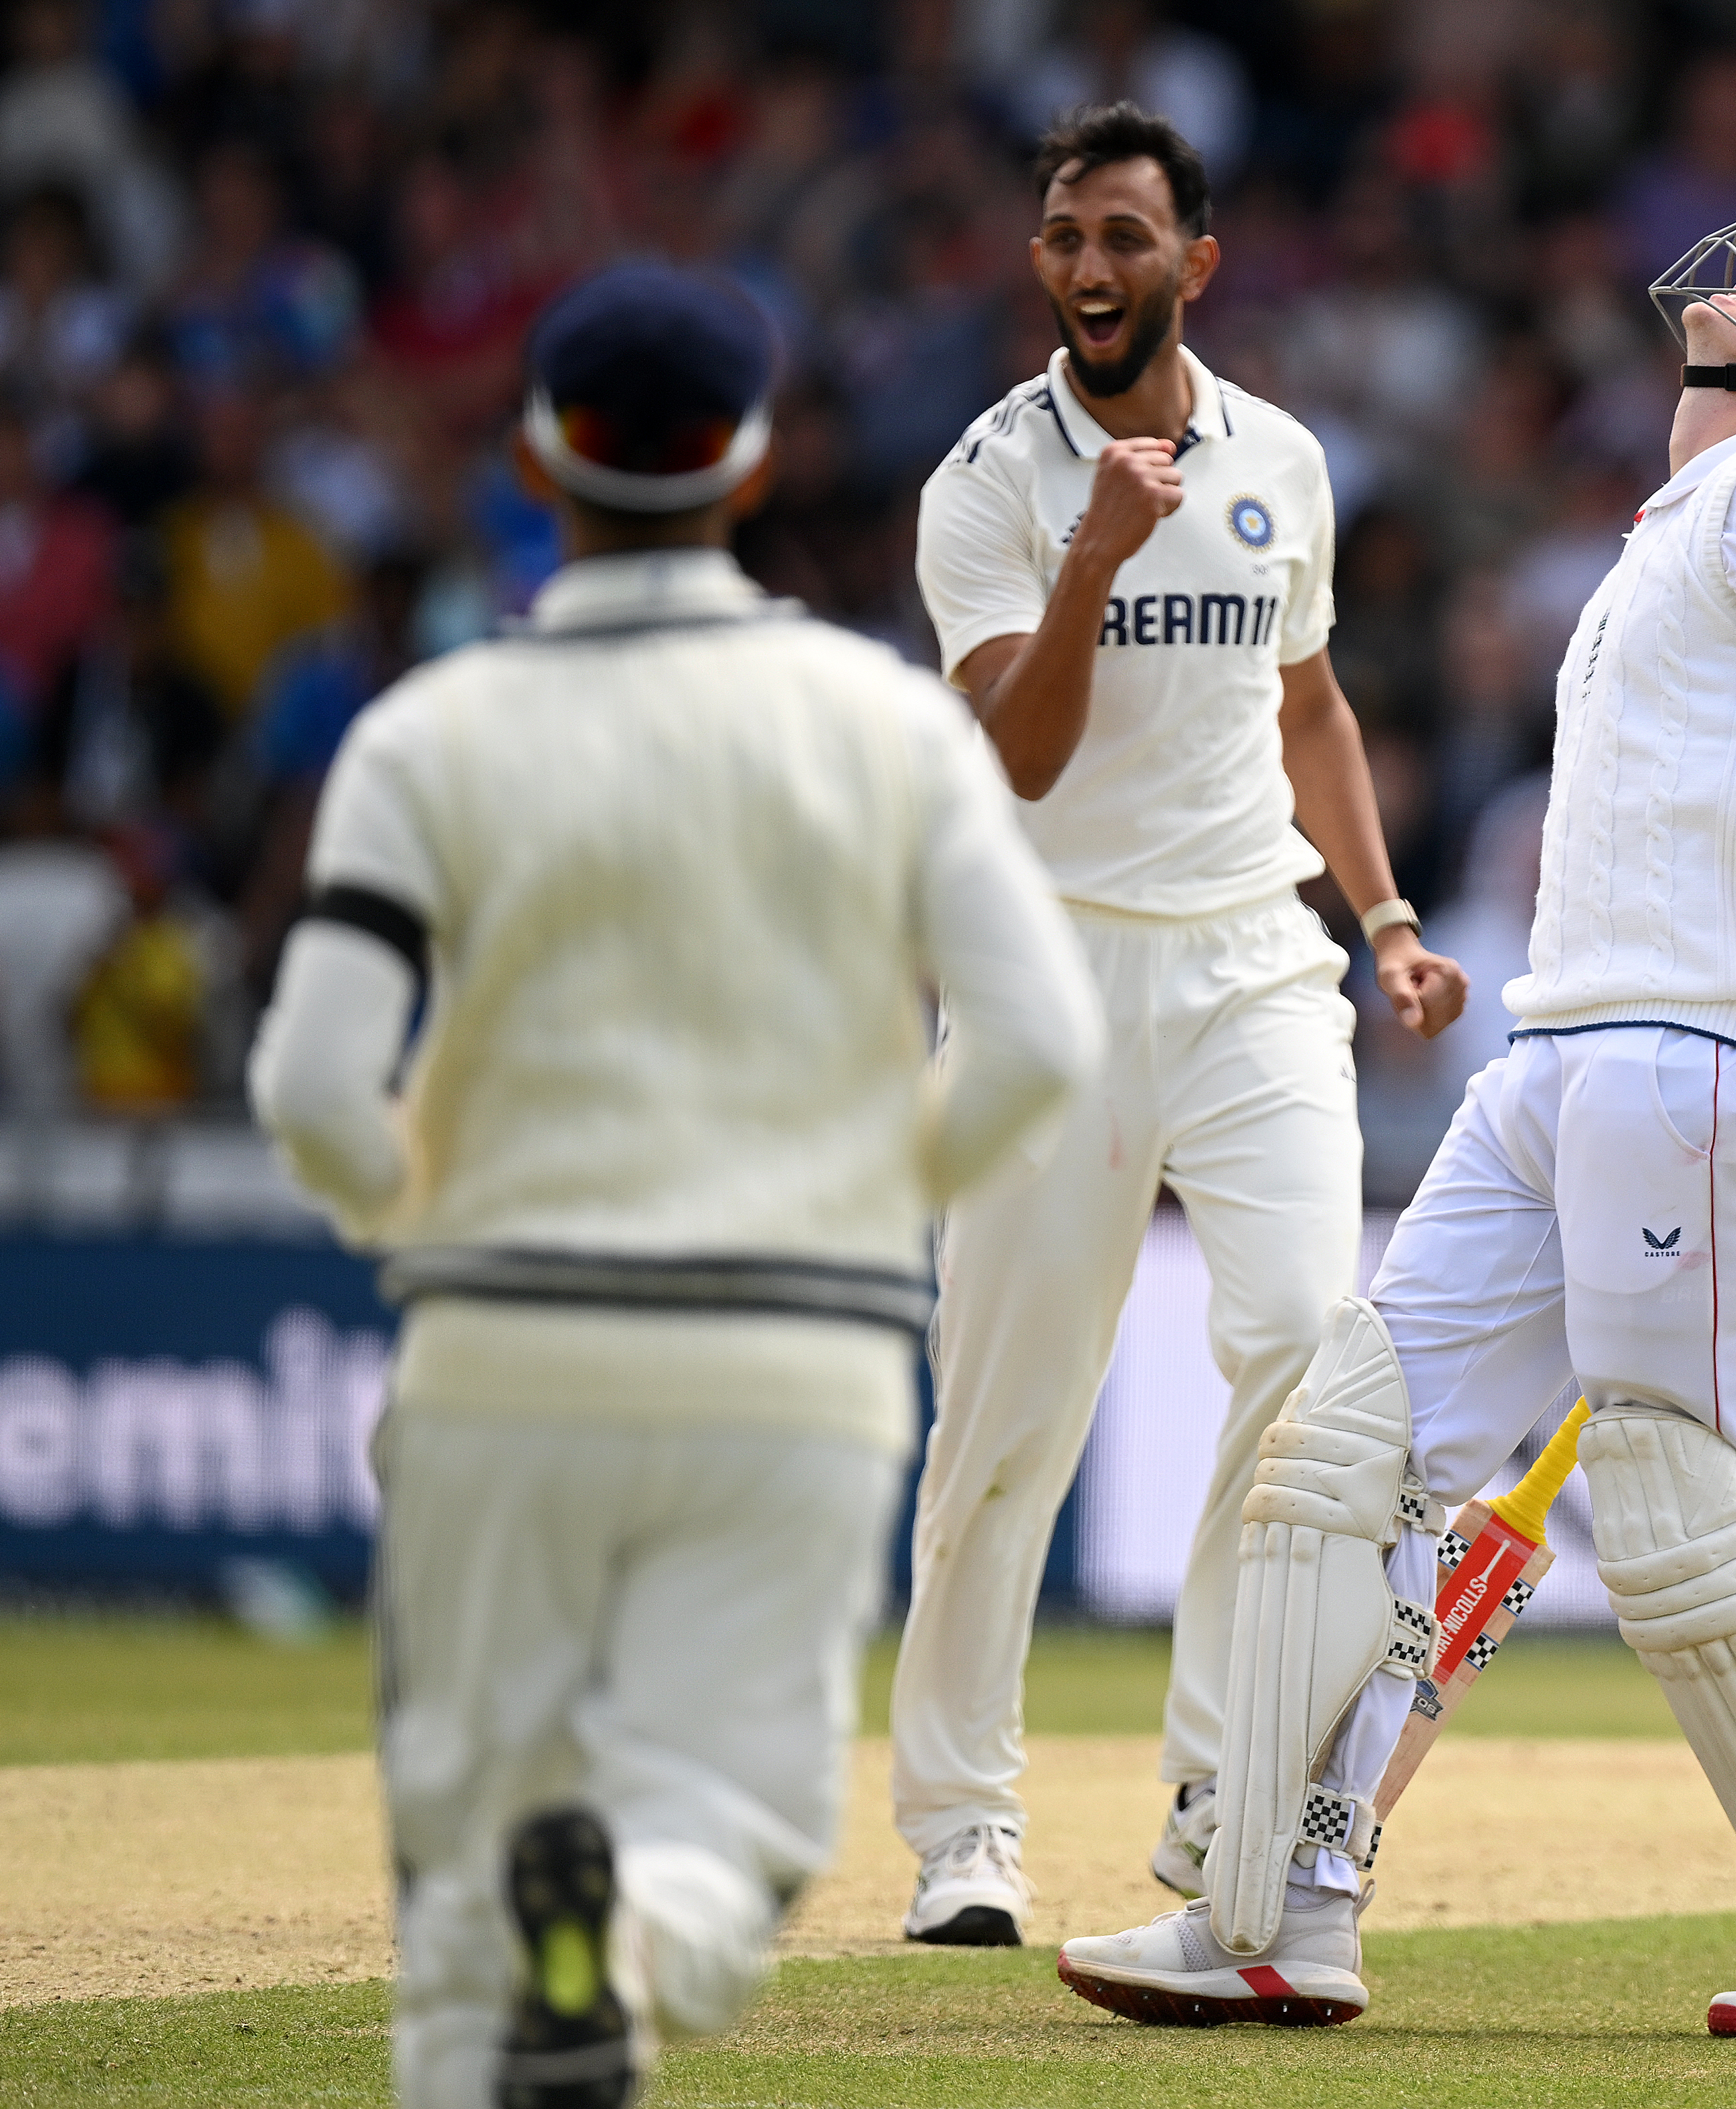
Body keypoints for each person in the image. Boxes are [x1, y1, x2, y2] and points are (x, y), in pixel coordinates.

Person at [1057, 200, 1736, 2039]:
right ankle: (1279, 1905)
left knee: (1670, 1498)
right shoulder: (1676, 524)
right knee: (1346, 1448)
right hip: (1560, 1057)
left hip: (1690, 1053)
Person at [249, 263, 1097, 2109]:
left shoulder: (428, 730)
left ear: (541, 457)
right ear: (751, 461)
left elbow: (310, 1085)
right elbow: (1038, 1042)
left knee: (462, 1903)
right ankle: (637, 1930)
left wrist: (430, 1226)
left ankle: (549, 1954)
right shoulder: (877, 721)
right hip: (790, 1352)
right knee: (734, 1819)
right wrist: (860, 1194)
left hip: (498, 1345)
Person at [894, 102, 1468, 1946]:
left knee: (1305, 1344)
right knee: (1003, 1413)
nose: (1087, 267)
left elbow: (1310, 714)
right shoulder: (986, 484)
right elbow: (1016, 756)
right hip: (1045, 971)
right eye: (1063, 235)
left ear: (1193, 263)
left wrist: (1378, 914)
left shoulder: (1281, 459)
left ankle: (1220, 1770)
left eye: (1124, 237)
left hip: (1249, 957)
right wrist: (1086, 560)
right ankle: (964, 1832)